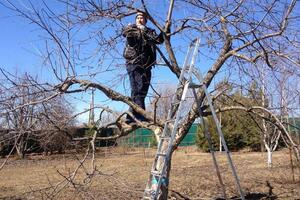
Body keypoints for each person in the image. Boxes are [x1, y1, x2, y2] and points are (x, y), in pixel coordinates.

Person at [122, 12, 164, 124]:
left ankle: (131, 117)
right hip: (134, 62)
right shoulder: (131, 29)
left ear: (146, 20)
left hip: (147, 65)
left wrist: (166, 29)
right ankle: (140, 116)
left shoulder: (149, 32)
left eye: (142, 18)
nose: (140, 19)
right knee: (137, 89)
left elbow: (159, 40)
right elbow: (126, 35)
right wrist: (132, 29)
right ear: (136, 20)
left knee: (142, 90)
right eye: (138, 18)